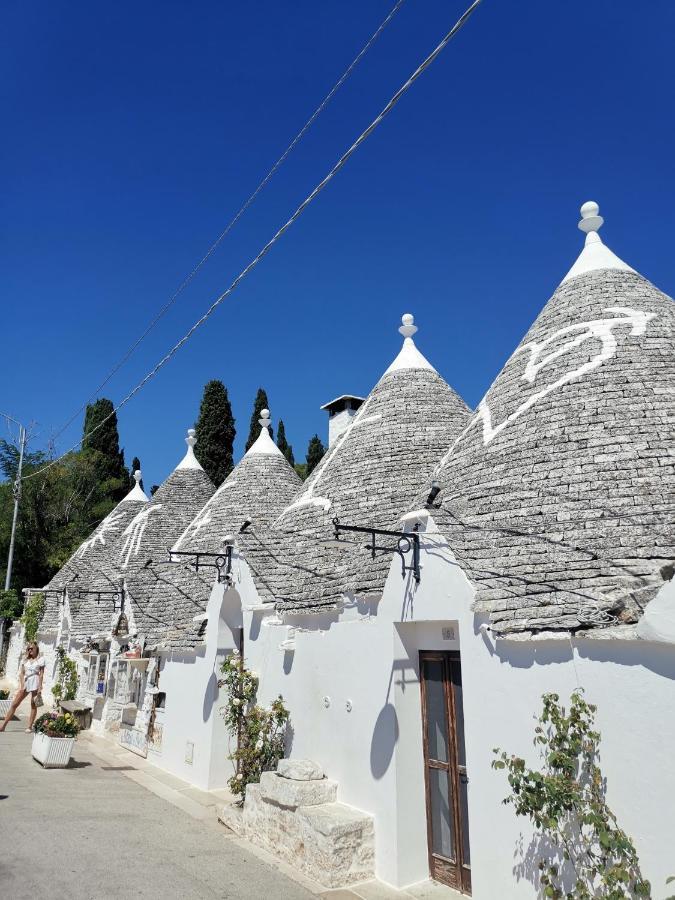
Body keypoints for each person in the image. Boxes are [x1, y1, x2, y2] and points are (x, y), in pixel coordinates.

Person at [0, 642, 45, 732]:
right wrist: (22, 685)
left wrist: (40, 687)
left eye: (32, 648)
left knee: (33, 705)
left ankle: (29, 726)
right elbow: (22, 674)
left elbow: (41, 674)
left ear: (36, 649)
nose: (30, 650)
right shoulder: (25, 660)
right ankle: (3, 725)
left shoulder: (40, 660)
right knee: (14, 704)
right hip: (26, 681)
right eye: (29, 649)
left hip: (35, 680)